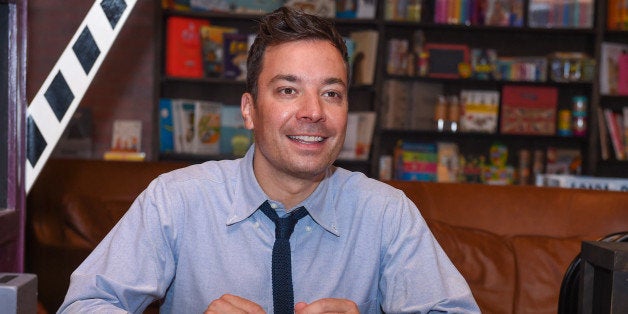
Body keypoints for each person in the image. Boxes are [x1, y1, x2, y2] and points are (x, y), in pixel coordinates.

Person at [59, 7, 479, 314]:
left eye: (331, 92)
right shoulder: (176, 201)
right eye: (288, 90)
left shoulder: (387, 214)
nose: (314, 111)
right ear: (249, 110)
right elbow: (84, 305)